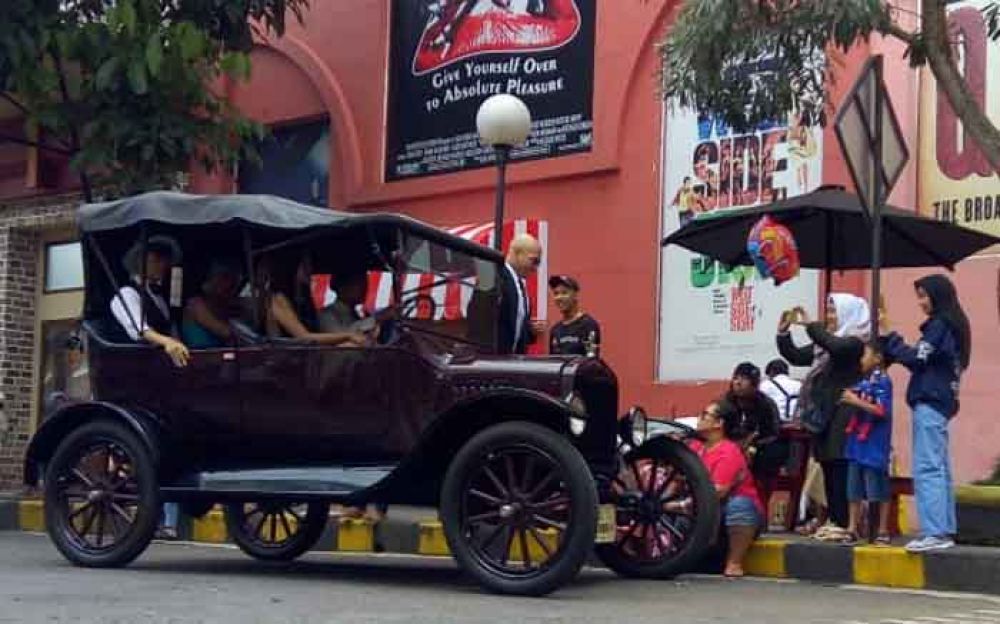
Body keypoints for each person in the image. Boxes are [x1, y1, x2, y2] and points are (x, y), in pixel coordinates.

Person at [882, 275, 971, 553]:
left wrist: (890, 338)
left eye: (923, 296)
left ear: (938, 295)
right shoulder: (953, 325)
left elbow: (916, 358)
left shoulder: (940, 325)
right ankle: (943, 529)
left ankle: (934, 532)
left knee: (928, 467)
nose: (920, 302)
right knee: (939, 467)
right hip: (942, 402)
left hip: (930, 401)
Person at [777, 294, 869, 540]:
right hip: (824, 413)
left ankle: (844, 521)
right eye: (828, 311)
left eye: (834, 311)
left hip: (844, 412)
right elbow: (796, 356)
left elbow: (835, 347)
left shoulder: (854, 343)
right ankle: (835, 519)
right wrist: (783, 333)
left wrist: (811, 325)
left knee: (840, 465)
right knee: (827, 464)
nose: (829, 316)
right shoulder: (825, 345)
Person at [690, 399, 765, 578]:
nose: (699, 418)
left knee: (738, 505)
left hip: (726, 510)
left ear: (719, 423)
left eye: (704, 415)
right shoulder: (695, 447)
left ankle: (734, 562)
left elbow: (719, 491)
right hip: (702, 510)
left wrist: (681, 504)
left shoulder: (729, 451)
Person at [840, 343, 893, 545]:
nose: (861, 359)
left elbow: (881, 410)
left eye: (865, 355)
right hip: (857, 442)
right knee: (853, 487)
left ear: (878, 358)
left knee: (877, 487)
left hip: (874, 443)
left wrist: (855, 401)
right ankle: (852, 527)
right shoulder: (863, 381)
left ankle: (882, 529)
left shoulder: (883, 381)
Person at [256, 253, 368, 347]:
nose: (310, 270)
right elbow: (304, 337)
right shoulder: (278, 298)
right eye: (305, 265)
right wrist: (348, 335)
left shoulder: (301, 299)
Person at [110, 235, 189, 367]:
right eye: (157, 260)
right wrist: (168, 342)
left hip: (165, 365)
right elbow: (140, 330)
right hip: (137, 368)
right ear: (140, 262)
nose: (163, 265)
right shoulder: (127, 293)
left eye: (165, 260)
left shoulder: (160, 295)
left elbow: (168, 326)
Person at [724, 362, 785, 515]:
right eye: (735, 378)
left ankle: (759, 510)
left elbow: (772, 433)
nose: (738, 382)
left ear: (754, 384)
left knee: (773, 452)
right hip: (729, 449)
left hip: (759, 449)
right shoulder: (725, 403)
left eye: (743, 379)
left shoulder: (766, 404)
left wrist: (752, 446)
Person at [498, 234, 545, 355]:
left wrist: (529, 330)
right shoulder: (497, 276)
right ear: (517, 254)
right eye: (534, 261)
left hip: (511, 361)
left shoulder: (519, 285)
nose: (535, 268)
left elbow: (512, 326)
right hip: (493, 360)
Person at [181, 260, 242, 348]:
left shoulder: (222, 306)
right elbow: (225, 332)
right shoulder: (195, 305)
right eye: (224, 278)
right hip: (200, 354)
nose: (228, 284)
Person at [548, 275, 601, 356]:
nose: (559, 297)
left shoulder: (588, 325)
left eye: (564, 293)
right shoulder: (555, 330)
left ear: (575, 295)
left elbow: (592, 360)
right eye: (556, 293)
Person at [759, 359, 801, 423]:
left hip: (776, 422)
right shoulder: (799, 384)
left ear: (771, 372)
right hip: (796, 422)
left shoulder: (766, 385)